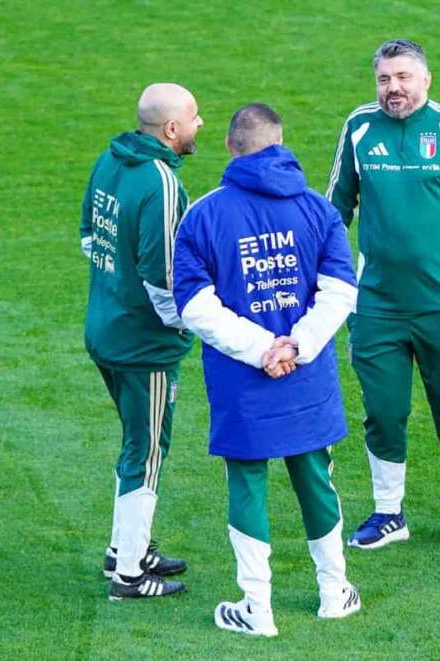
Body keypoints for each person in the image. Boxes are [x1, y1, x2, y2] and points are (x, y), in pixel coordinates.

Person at [173, 103, 361, 637]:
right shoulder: (318, 209)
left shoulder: (204, 214)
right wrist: (295, 347)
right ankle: (333, 592)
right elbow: (340, 292)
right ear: (280, 143)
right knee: (315, 477)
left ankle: (256, 608)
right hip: (306, 372)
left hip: (242, 378)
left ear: (232, 146)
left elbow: (195, 307)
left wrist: (263, 351)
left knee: (248, 484)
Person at [327, 39, 440, 549]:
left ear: (426, 79)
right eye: (384, 79)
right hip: (376, 304)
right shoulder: (359, 128)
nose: (393, 88)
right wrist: (336, 284)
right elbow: (335, 211)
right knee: (383, 411)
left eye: (403, 77)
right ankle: (388, 514)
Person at [80, 82, 203, 601]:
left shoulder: (110, 160)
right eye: (195, 118)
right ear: (171, 129)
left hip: (104, 328)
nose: (202, 125)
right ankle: (129, 574)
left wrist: (116, 289)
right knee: (147, 453)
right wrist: (183, 326)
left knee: (135, 444)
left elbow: (90, 237)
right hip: (142, 346)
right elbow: (163, 277)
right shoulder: (162, 182)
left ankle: (123, 548)